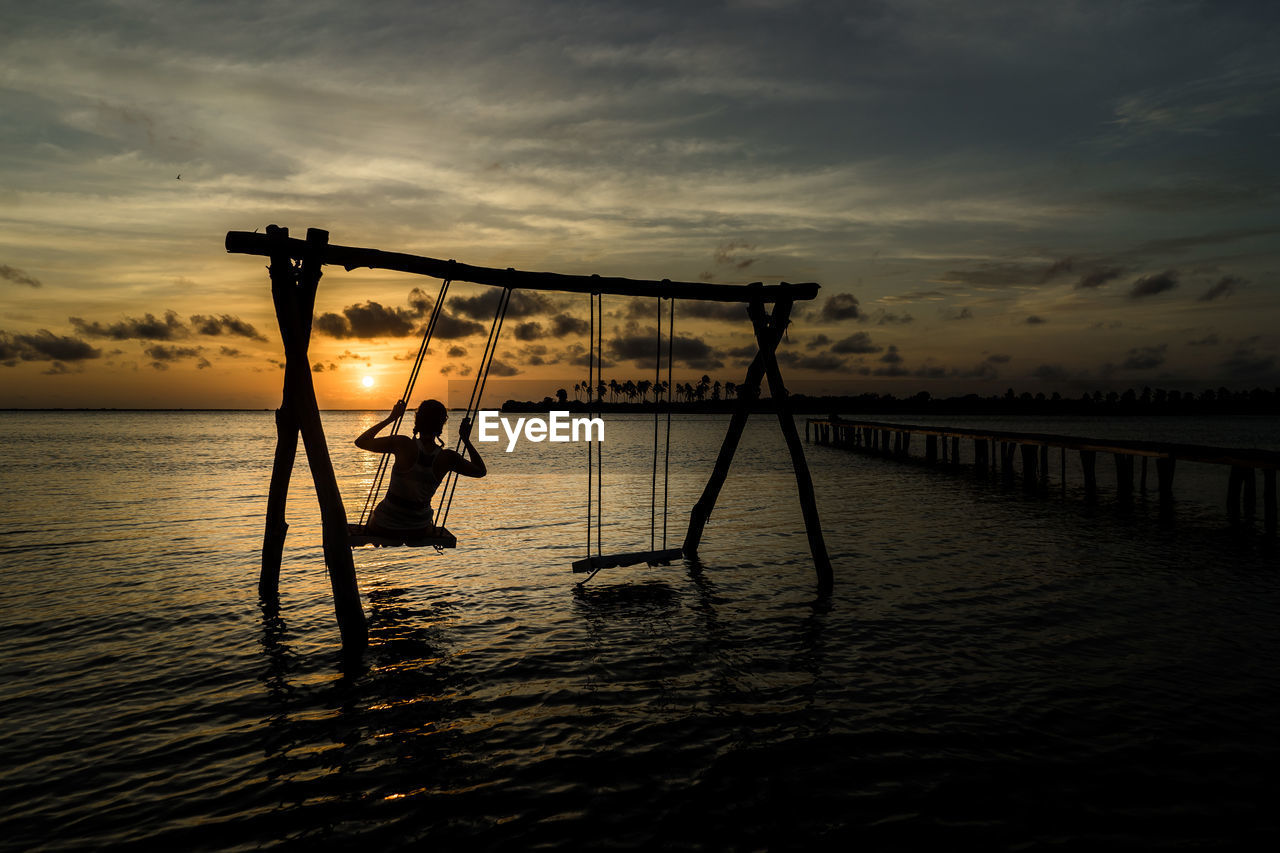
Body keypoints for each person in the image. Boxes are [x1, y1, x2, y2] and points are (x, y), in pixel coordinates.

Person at [355, 399, 486, 539]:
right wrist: (466, 439)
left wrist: (391, 418)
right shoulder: (447, 457)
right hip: (419, 528)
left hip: (385, 525)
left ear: (417, 421)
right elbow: (480, 471)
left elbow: (361, 442)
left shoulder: (402, 444)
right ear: (442, 424)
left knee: (373, 518)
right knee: (425, 522)